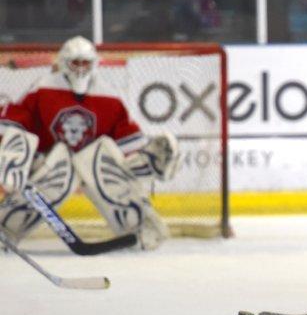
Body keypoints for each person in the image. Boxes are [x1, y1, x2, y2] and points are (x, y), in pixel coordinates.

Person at [0, 36, 179, 250]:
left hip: (90, 165)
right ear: (64, 62)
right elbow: (13, 127)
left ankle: (139, 227)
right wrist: (12, 159)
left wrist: (146, 159)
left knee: (99, 158)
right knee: (61, 169)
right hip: (48, 163)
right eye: (76, 62)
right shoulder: (42, 89)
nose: (80, 69)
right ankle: (6, 228)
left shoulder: (109, 95)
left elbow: (127, 145)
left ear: (94, 64)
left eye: (85, 63)